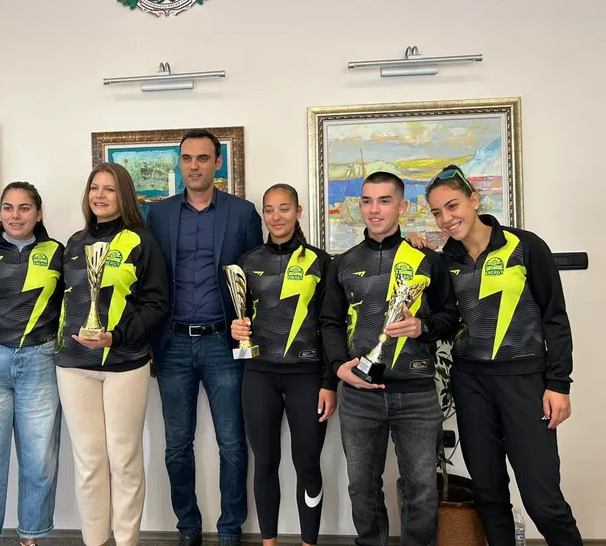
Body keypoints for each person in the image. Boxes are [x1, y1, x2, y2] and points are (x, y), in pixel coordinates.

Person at [424, 165, 583, 546]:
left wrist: (559, 383)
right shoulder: (445, 261)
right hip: (471, 384)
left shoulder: (525, 246)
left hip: (525, 382)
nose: (446, 219)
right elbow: (445, 321)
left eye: (452, 206)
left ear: (474, 199)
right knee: (489, 494)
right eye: (437, 213)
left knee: (543, 500)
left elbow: (554, 318)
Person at [319, 171, 459, 546]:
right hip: (360, 395)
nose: (374, 209)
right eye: (367, 201)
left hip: (416, 394)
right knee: (361, 488)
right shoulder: (342, 263)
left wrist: (422, 327)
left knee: (422, 490)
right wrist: (338, 367)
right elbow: (329, 322)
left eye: (384, 200)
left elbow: (450, 317)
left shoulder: (427, 260)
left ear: (402, 206)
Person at [146, 129, 263, 546]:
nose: (193, 166)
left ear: (218, 162)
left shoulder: (243, 213)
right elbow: (148, 278)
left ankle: (230, 529)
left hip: (223, 344)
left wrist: (247, 326)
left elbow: (257, 275)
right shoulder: (158, 215)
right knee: (177, 445)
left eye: (202, 158)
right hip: (173, 344)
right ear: (180, 163)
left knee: (232, 443)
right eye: (186, 158)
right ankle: (188, 527)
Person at [55, 162, 168, 546]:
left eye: (109, 189)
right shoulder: (74, 243)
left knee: (124, 460)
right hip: (74, 366)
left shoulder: (141, 241)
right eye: (94, 188)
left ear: (124, 196)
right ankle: (94, 541)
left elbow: (156, 304)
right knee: (89, 462)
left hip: (124, 364)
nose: (99, 195)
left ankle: (127, 541)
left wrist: (115, 337)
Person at [229, 184, 336, 546]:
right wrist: (236, 329)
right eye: (269, 210)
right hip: (259, 374)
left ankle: (309, 543)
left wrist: (329, 382)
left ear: (298, 211)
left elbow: (330, 325)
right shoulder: (247, 262)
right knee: (265, 463)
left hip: (308, 376)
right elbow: (240, 319)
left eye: (284, 208)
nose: (276, 217)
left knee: (307, 464)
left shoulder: (321, 262)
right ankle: (269, 543)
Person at [0, 182, 63, 546]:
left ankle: (31, 537)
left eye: (24, 208)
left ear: (38, 214)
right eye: (8, 207)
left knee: (40, 459)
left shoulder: (57, 252)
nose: (15, 215)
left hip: (39, 362)